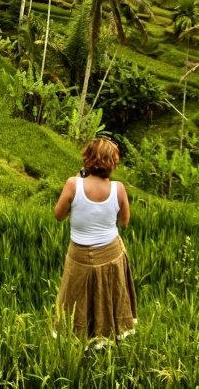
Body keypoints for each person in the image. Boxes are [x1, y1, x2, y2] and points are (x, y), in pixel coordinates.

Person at [53, 137, 136, 341]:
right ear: (113, 163)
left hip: (79, 254)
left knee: (75, 298)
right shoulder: (119, 189)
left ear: (87, 159)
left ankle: (77, 334)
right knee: (110, 296)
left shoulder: (73, 184)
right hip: (111, 252)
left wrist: (78, 179)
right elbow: (124, 221)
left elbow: (59, 215)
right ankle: (111, 333)